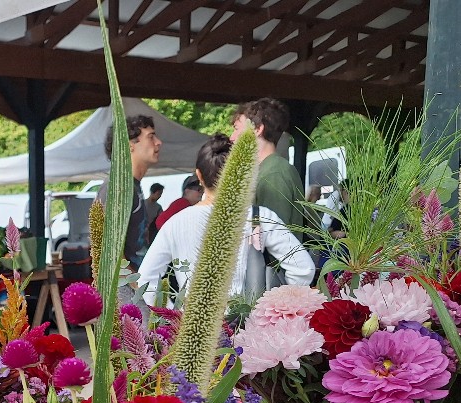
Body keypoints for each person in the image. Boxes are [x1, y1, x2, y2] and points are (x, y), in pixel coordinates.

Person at [137, 134, 314, 306]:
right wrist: (275, 309)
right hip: (249, 322)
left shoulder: (176, 223)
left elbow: (145, 279)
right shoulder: (260, 216)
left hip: (193, 323)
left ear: (199, 176)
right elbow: (303, 268)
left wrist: (173, 314)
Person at [230, 98, 310, 241]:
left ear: (257, 129)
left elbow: (273, 238)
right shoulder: (270, 169)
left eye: (236, 128)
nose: (232, 137)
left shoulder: (274, 174)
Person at [95, 114, 162, 270]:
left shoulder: (132, 186)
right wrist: (133, 282)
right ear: (130, 145)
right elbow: (108, 251)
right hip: (126, 283)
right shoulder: (118, 187)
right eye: (151, 137)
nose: (158, 142)